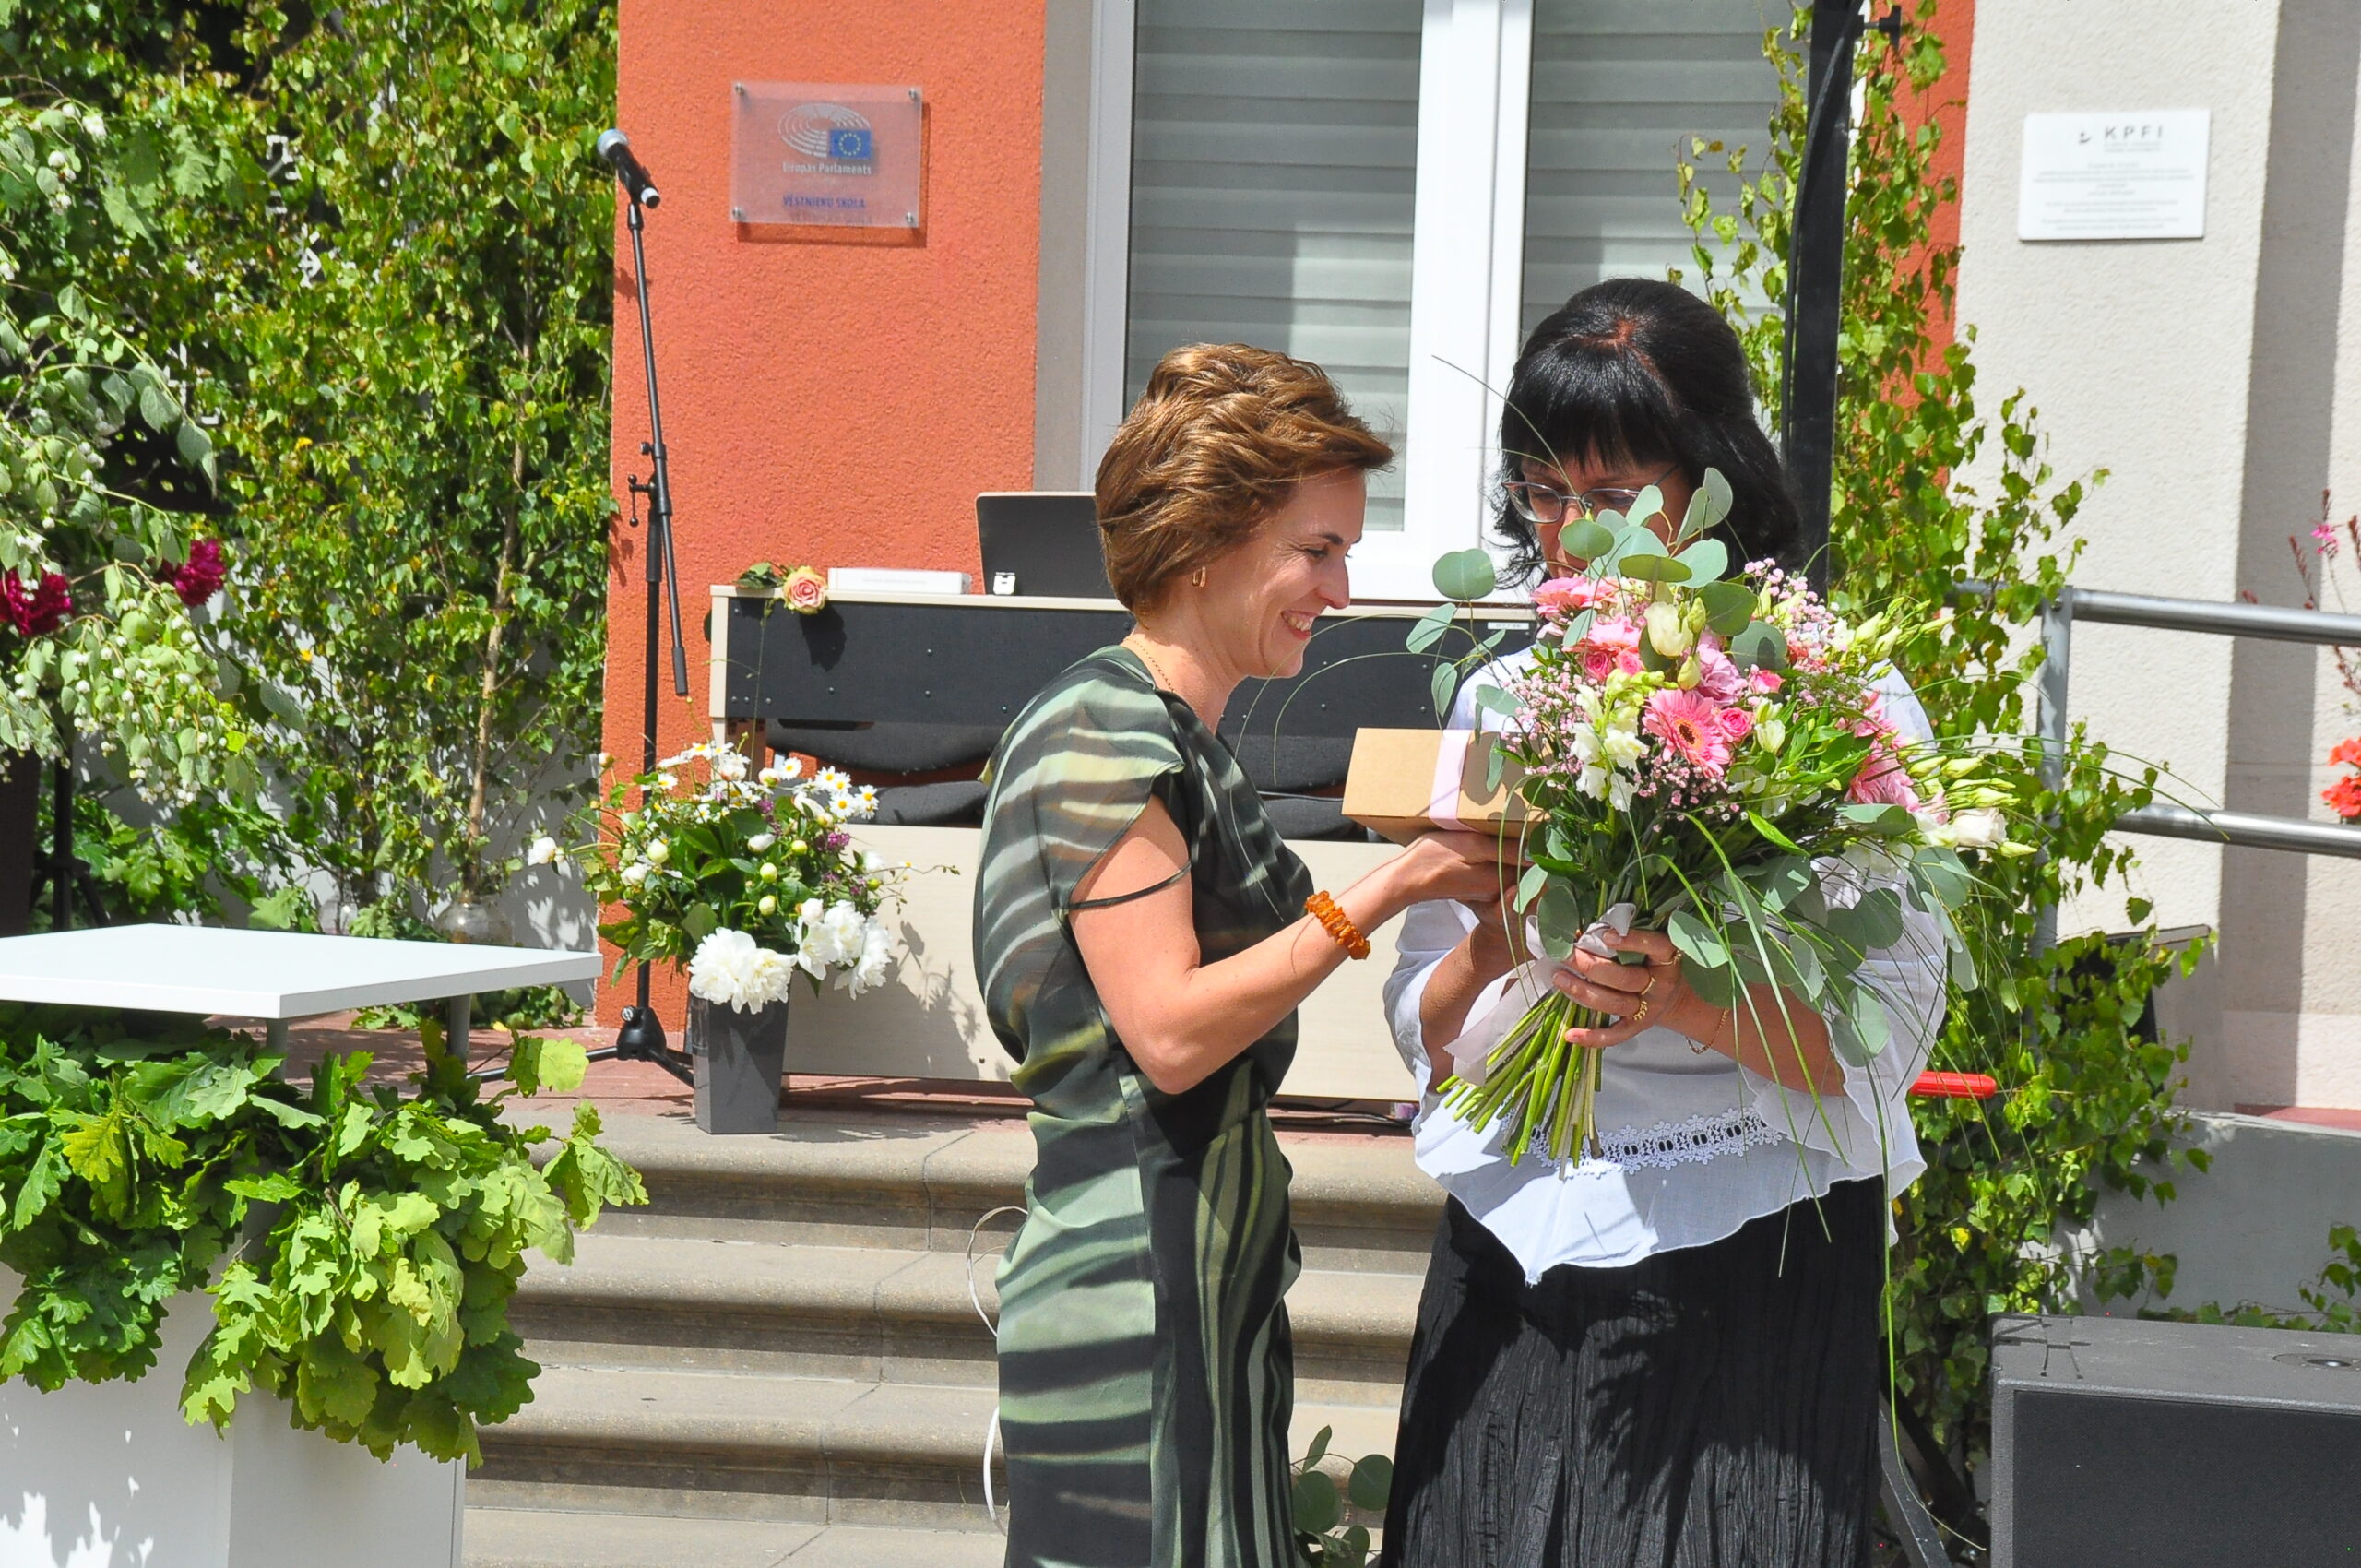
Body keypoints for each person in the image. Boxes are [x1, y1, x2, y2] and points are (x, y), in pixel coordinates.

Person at [1378, 278, 1948, 1567]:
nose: (1574, 533)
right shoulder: (1503, 698)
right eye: (1544, 492)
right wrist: (1500, 940)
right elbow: (1431, 1033)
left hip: (1760, 1241)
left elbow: (1880, 1040)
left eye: (1615, 492)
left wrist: (1681, 998)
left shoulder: (1833, 695)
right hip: (1523, 1232)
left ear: (1710, 484)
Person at [974, 343, 1506, 1568]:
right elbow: (1167, 1034)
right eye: (1316, 550)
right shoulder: (1105, 729)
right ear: (1208, 544)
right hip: (1134, 1285)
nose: (1342, 589)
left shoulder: (1174, 736)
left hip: (1197, 1277)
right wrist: (1392, 887)